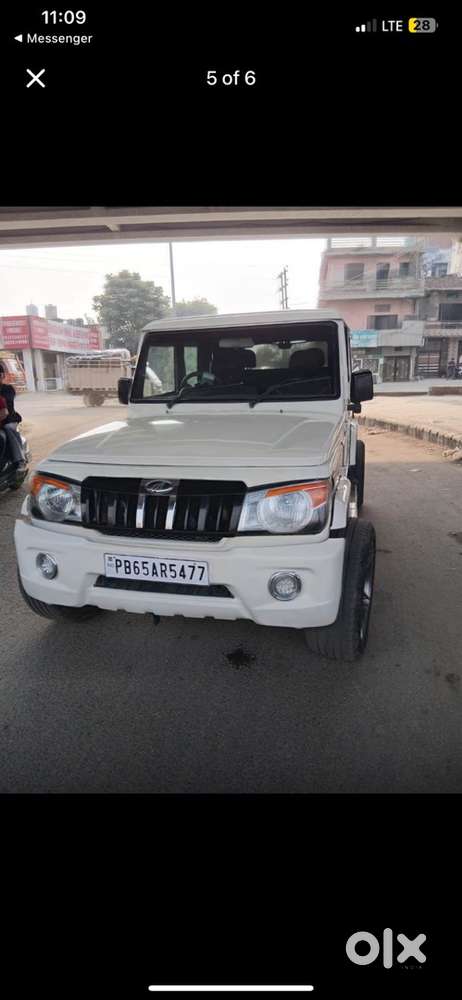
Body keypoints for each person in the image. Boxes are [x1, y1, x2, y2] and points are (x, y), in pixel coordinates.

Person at [0, 363, 26, 469]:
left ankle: (19, 458)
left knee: (8, 428)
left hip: (9, 418)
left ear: (2, 375)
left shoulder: (8, 389)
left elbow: (7, 404)